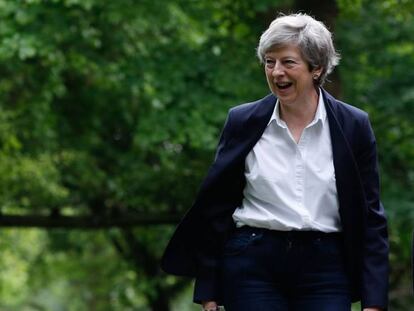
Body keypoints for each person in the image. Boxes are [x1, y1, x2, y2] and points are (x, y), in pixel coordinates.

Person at [161, 13, 389, 311]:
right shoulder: (241, 121)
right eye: (270, 62)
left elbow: (371, 217)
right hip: (251, 264)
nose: (276, 72)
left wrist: (374, 302)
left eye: (288, 62)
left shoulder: (353, 125)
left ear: (316, 68)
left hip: (326, 268)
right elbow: (216, 209)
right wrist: (208, 288)